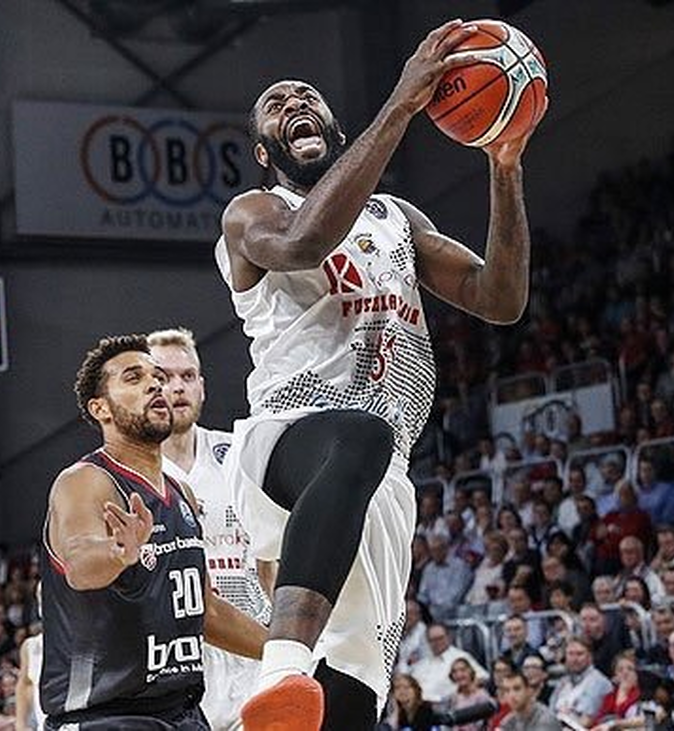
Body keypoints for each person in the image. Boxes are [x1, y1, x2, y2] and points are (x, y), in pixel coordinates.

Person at [217, 19, 546, 730]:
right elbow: (304, 244)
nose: (295, 102)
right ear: (264, 149)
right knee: (356, 434)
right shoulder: (254, 211)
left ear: (335, 131)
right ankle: (282, 659)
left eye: (307, 96)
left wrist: (504, 166)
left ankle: (295, 687)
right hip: (287, 438)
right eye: (277, 105)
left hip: (381, 472)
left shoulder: (396, 217)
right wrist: (400, 103)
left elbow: (500, 298)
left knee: (351, 700)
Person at [42, 336, 266, 729]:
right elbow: (79, 564)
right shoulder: (84, 481)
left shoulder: (180, 492)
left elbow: (206, 611)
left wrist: (288, 649)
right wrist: (117, 554)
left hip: (182, 712)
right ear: (101, 409)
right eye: (134, 377)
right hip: (105, 716)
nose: (155, 385)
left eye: (157, 377)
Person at [149, 328, 272, 731]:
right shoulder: (130, 476)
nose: (177, 387)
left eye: (187, 376)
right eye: (164, 378)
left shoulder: (237, 454)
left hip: (253, 652)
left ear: (202, 386)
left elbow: (272, 557)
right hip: (178, 666)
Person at [549, 637, 613, 725]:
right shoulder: (563, 682)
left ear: (590, 657)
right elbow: (550, 713)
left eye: (579, 654)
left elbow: (585, 722)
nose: (574, 659)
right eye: (570, 654)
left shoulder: (598, 682)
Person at [497, 670, 562, 731]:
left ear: (529, 691)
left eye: (517, 689)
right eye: (507, 691)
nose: (512, 695)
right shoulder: (507, 722)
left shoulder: (546, 719)